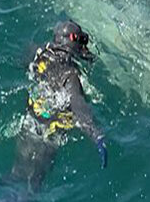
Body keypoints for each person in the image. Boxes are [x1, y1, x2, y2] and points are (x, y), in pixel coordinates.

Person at [8, 21, 108, 192]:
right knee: (33, 186)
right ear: (73, 41)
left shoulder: (38, 53)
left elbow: (21, 62)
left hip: (30, 123)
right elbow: (79, 107)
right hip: (49, 135)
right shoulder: (70, 74)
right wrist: (97, 137)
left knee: (16, 173)